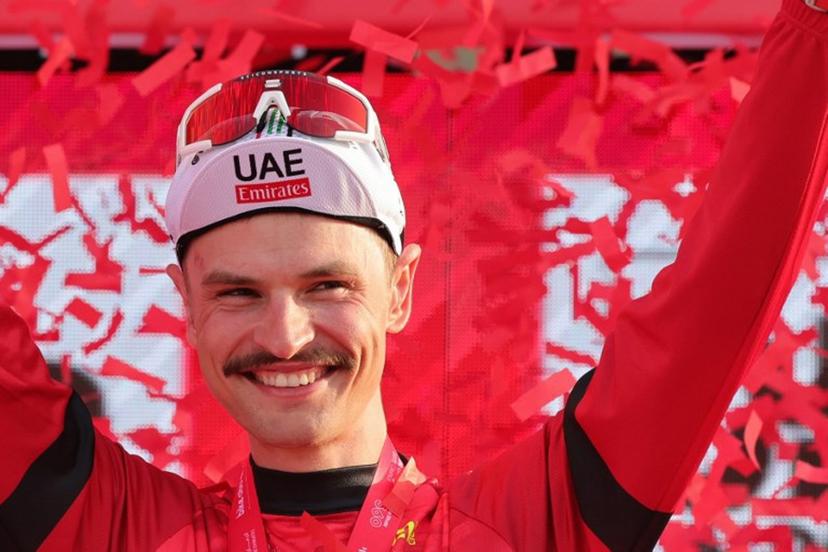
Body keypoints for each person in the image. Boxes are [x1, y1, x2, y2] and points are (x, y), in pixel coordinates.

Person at [2, 0, 827, 550]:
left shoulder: (534, 522)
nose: (286, 334)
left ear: (400, 288)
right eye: (239, 292)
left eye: (328, 285)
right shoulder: (112, 528)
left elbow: (718, 294)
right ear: (184, 305)